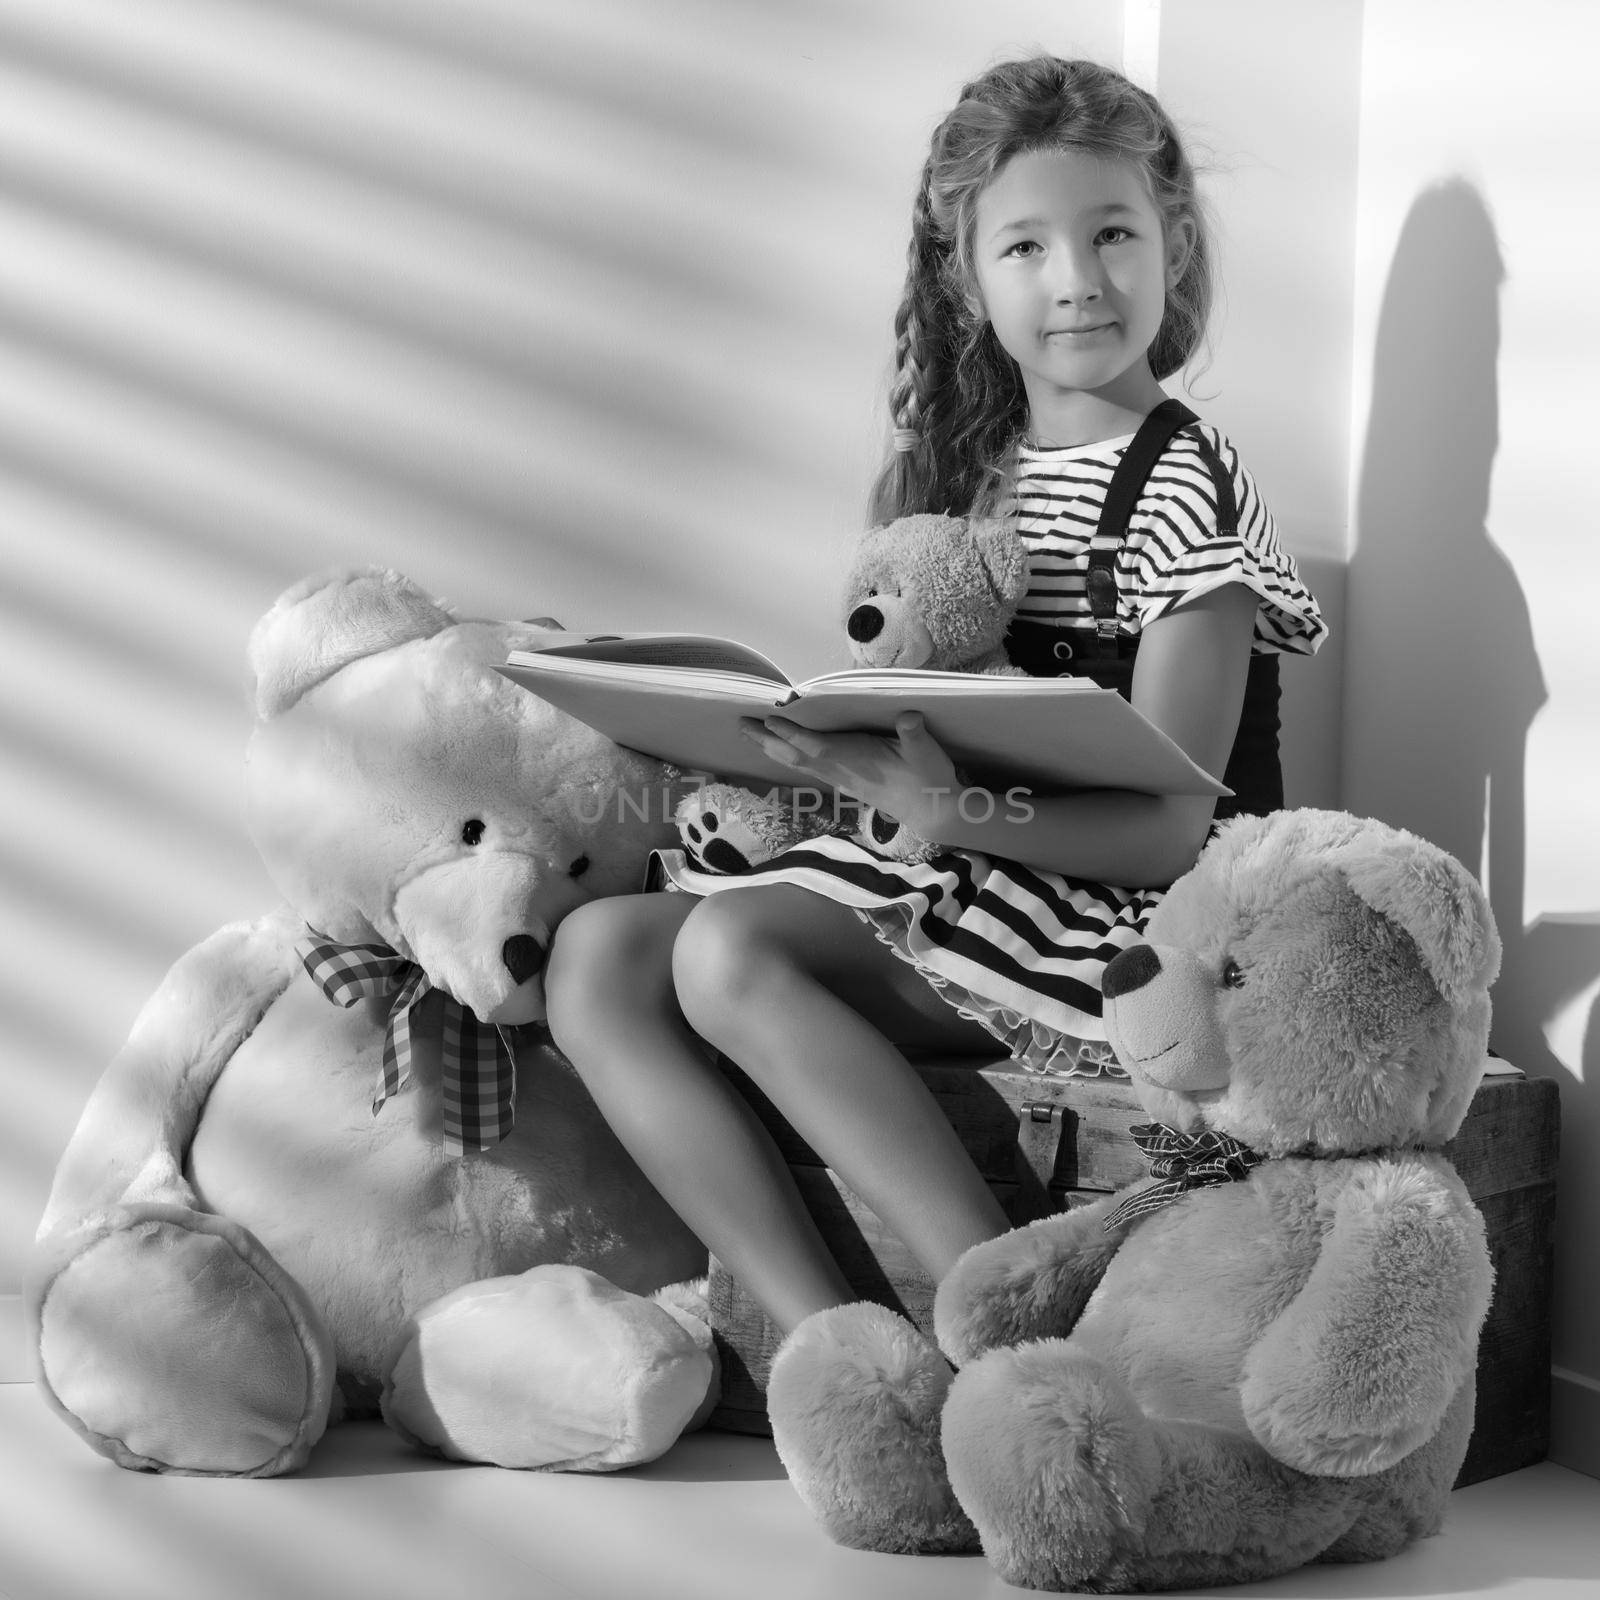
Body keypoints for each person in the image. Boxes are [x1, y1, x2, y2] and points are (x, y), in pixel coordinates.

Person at [545, 56, 1324, 1339]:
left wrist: (945, 805)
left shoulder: (1185, 485)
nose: (1076, 277)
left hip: (1119, 913)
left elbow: (1174, 830)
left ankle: (1006, 1322)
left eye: (1112, 233)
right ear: (968, 275)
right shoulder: (954, 472)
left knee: (730, 952)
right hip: (960, 864)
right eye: (1025, 246)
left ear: (1172, 245)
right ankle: (833, 1350)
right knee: (594, 958)